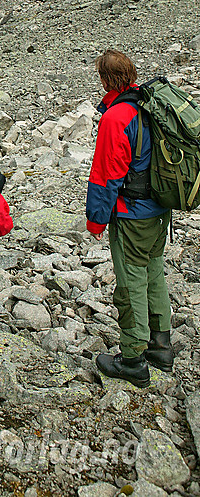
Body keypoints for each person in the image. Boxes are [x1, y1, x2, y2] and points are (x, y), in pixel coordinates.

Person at [86, 50, 174, 387]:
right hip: (159, 209)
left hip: (132, 215)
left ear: (105, 79)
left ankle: (133, 357)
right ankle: (160, 344)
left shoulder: (116, 118)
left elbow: (106, 176)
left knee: (131, 282)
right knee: (154, 270)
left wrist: (96, 220)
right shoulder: (150, 104)